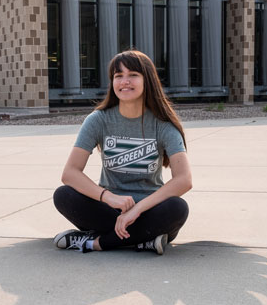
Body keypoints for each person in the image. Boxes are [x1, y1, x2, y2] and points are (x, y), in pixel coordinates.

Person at [52, 50, 192, 255]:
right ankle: (143, 241)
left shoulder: (163, 125)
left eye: (133, 74)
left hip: (149, 212)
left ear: (148, 80)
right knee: (64, 195)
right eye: (119, 76)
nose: (124, 81)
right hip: (108, 210)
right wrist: (108, 197)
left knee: (177, 208)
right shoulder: (98, 120)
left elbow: (184, 180)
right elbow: (70, 173)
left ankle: (95, 243)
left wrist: (137, 209)